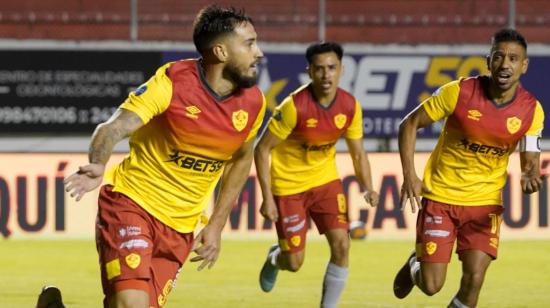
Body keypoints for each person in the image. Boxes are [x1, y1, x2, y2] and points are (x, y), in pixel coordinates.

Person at [63, 5, 265, 308]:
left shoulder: (254, 103)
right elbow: (115, 126)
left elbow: (241, 159)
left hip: (180, 228)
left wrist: (216, 224)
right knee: (132, 304)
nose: (259, 52)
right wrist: (98, 163)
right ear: (221, 52)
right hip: (132, 205)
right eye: (249, 43)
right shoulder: (172, 82)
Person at [393, 28, 545, 308]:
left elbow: (530, 161)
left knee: (473, 280)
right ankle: (416, 265)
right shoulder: (459, 92)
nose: (505, 64)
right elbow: (409, 125)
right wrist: (409, 175)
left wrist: (528, 175)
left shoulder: (532, 110)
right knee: (431, 286)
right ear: (488, 61)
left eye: (513, 58)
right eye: (499, 56)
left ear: (524, 66)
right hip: (441, 198)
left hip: (485, 205)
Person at [255, 42, 379, 308]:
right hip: (288, 188)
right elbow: (262, 149)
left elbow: (358, 153)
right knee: (294, 262)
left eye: (332, 68)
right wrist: (267, 198)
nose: (326, 75)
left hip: (325, 183)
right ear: (309, 71)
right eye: (319, 69)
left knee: (342, 246)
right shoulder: (293, 107)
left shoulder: (349, 106)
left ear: (341, 70)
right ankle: (276, 258)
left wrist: (368, 186)